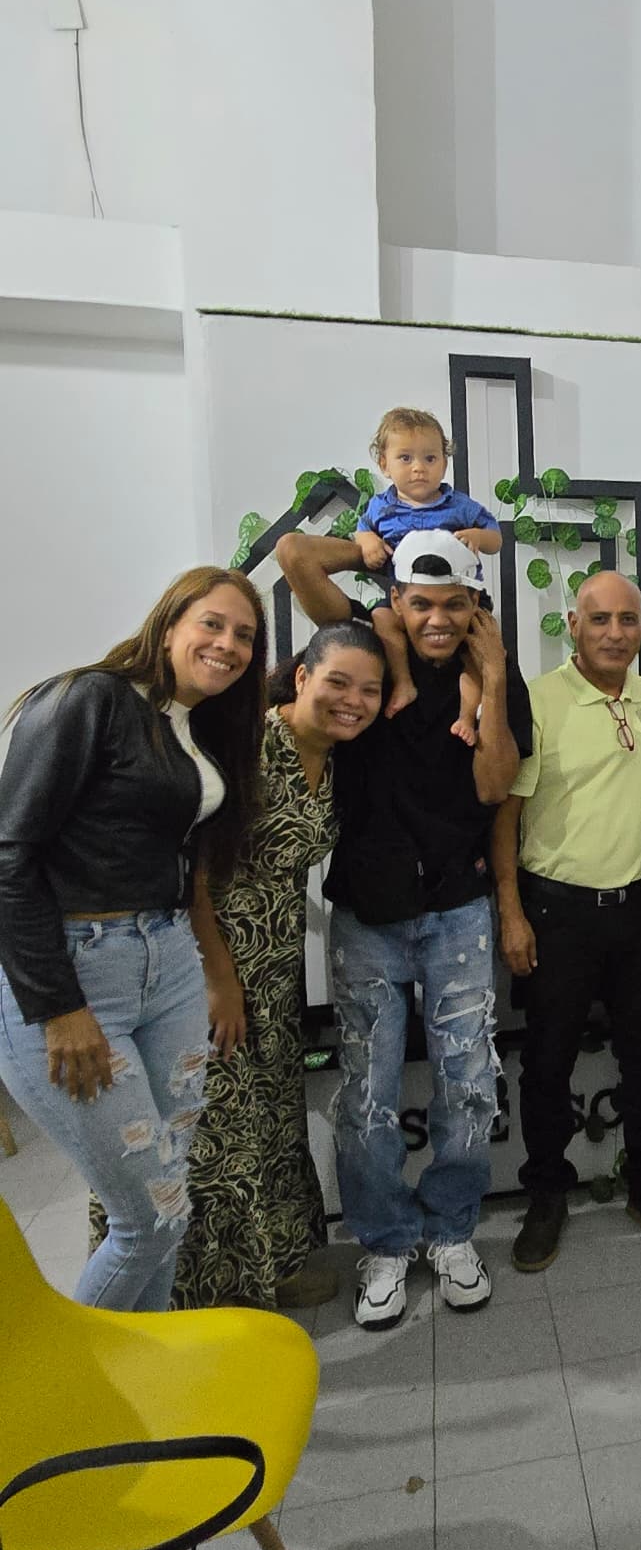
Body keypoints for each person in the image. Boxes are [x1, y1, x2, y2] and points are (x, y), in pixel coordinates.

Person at [281, 528, 530, 1331]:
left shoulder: (490, 677)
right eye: (420, 603)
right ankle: (386, 1242)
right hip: (367, 914)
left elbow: (493, 788)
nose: (437, 619)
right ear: (396, 602)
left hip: (457, 911)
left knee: (469, 1086)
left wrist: (495, 678)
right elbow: (294, 558)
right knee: (367, 1095)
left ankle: (451, 1231)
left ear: (474, 607)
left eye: (454, 604)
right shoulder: (365, 658)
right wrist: (374, 548)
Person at [0, 568, 265, 1310]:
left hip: (168, 964)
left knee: (166, 1203)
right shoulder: (89, 699)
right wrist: (58, 1007)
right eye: (212, 624)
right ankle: (75, 1380)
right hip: (82, 972)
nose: (228, 644)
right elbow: (8, 855)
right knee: (147, 1222)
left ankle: (144, 1373)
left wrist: (208, 969)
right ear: (170, 623)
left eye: (244, 635)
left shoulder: (193, 725)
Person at [169, 619, 387, 1312]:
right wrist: (218, 978)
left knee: (268, 1117)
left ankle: (272, 1268)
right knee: (217, 1130)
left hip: (276, 962)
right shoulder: (252, 745)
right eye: (337, 683)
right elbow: (192, 868)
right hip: (215, 959)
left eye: (369, 691)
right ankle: (209, 1298)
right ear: (301, 677)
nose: (353, 701)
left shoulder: (339, 757)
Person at [492, 572, 641, 1272]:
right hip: (556, 912)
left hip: (637, 908)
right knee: (547, 1063)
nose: (614, 632)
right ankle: (546, 1195)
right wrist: (511, 913)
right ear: (573, 625)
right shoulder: (539, 700)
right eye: (599, 619)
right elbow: (506, 816)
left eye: (627, 619)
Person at [280, 407, 502, 738]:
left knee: (478, 653)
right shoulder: (381, 507)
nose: (419, 468)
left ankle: (468, 716)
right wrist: (369, 545)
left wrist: (478, 538)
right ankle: (403, 682)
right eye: (405, 458)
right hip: (401, 591)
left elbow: (495, 538)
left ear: (444, 463)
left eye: (430, 458)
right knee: (382, 619)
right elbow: (359, 531)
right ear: (384, 464)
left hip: (464, 592)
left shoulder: (459, 505)